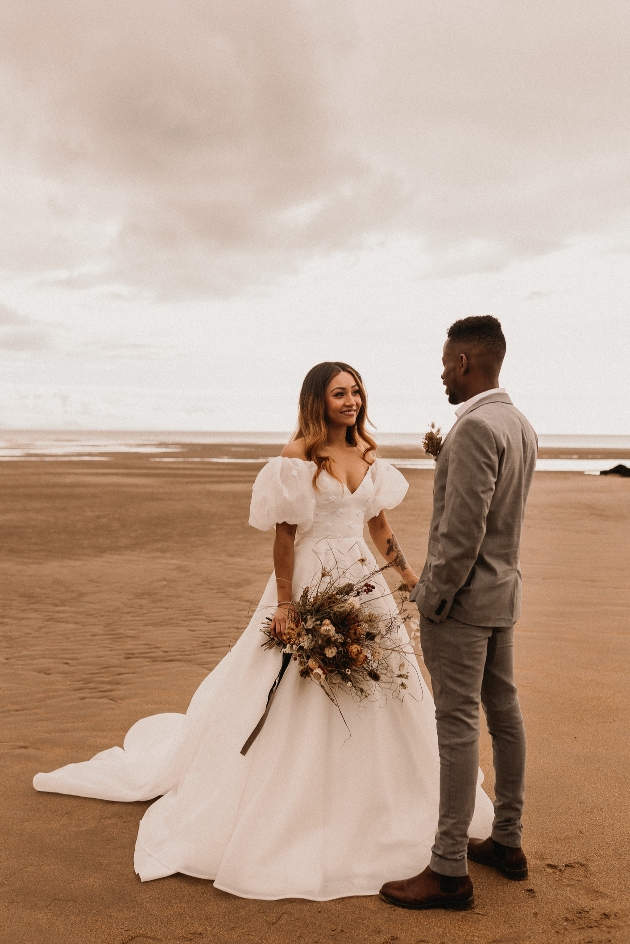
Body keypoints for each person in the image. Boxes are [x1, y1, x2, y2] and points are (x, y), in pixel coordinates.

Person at [33, 360, 493, 901]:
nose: (352, 401)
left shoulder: (368, 454)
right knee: (299, 684)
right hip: (308, 576)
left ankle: (381, 800)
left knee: (384, 686)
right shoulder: (298, 456)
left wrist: (409, 577)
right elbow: (284, 536)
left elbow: (378, 526)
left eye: (357, 391)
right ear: (318, 400)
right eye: (340, 393)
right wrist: (284, 602)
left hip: (362, 583)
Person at [380, 316, 538, 911]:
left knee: (457, 726)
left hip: (466, 602)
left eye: (447, 362)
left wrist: (431, 596)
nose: (442, 372)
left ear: (467, 362)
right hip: (504, 596)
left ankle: (448, 869)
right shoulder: (519, 423)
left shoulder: (474, 428)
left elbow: (462, 532)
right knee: (505, 713)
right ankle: (507, 840)